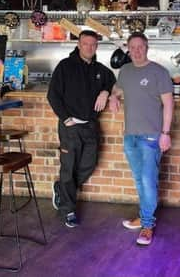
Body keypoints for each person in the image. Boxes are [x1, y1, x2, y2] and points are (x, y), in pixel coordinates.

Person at [108, 32, 174, 246]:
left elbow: (169, 104)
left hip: (151, 137)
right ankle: (144, 217)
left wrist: (165, 133)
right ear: (128, 49)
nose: (136, 51)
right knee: (140, 180)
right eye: (133, 47)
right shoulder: (125, 71)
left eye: (140, 47)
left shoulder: (158, 72)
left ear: (147, 48)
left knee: (148, 181)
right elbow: (118, 88)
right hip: (130, 137)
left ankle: (147, 225)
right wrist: (112, 96)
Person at [47, 30, 116, 227]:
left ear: (96, 47)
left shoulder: (100, 69)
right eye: (85, 44)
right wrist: (66, 118)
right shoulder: (65, 66)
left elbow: (113, 81)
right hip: (70, 127)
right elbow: (53, 95)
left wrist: (106, 91)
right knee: (68, 169)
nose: (89, 47)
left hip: (90, 127)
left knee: (89, 165)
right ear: (79, 45)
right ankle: (67, 210)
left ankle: (62, 189)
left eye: (93, 44)